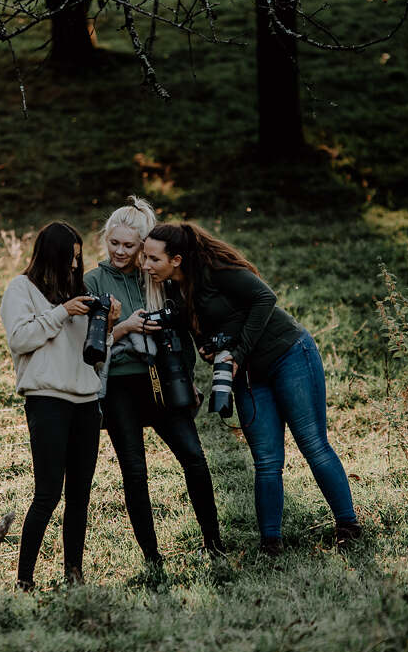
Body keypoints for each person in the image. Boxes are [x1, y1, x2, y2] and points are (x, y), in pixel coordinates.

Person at [142, 222, 361, 555]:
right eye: (145, 257)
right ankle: (270, 541)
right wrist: (209, 348)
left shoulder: (216, 271)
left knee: (313, 444)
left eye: (153, 259)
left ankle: (348, 525)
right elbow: (210, 329)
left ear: (176, 259)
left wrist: (239, 352)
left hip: (289, 354)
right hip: (248, 375)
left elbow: (265, 297)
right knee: (266, 459)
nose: (146, 265)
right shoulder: (174, 291)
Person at [85, 198, 225, 567]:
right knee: (135, 470)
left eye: (129, 245)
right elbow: (87, 343)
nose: (120, 251)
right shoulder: (93, 281)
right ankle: (152, 557)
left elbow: (181, 334)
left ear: (143, 244)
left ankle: (214, 543)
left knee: (194, 458)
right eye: (114, 243)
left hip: (161, 379)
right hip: (118, 383)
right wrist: (124, 327)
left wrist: (187, 379)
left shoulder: (156, 277)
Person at [0, 221, 121, 590]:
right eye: (70, 257)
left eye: (78, 258)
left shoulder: (80, 295)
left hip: (86, 403)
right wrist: (62, 312)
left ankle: (74, 575)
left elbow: (97, 360)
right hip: (47, 400)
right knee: (48, 493)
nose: (74, 265)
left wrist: (107, 326)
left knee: (80, 496)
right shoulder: (21, 289)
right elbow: (20, 339)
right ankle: (24, 580)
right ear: (52, 255)